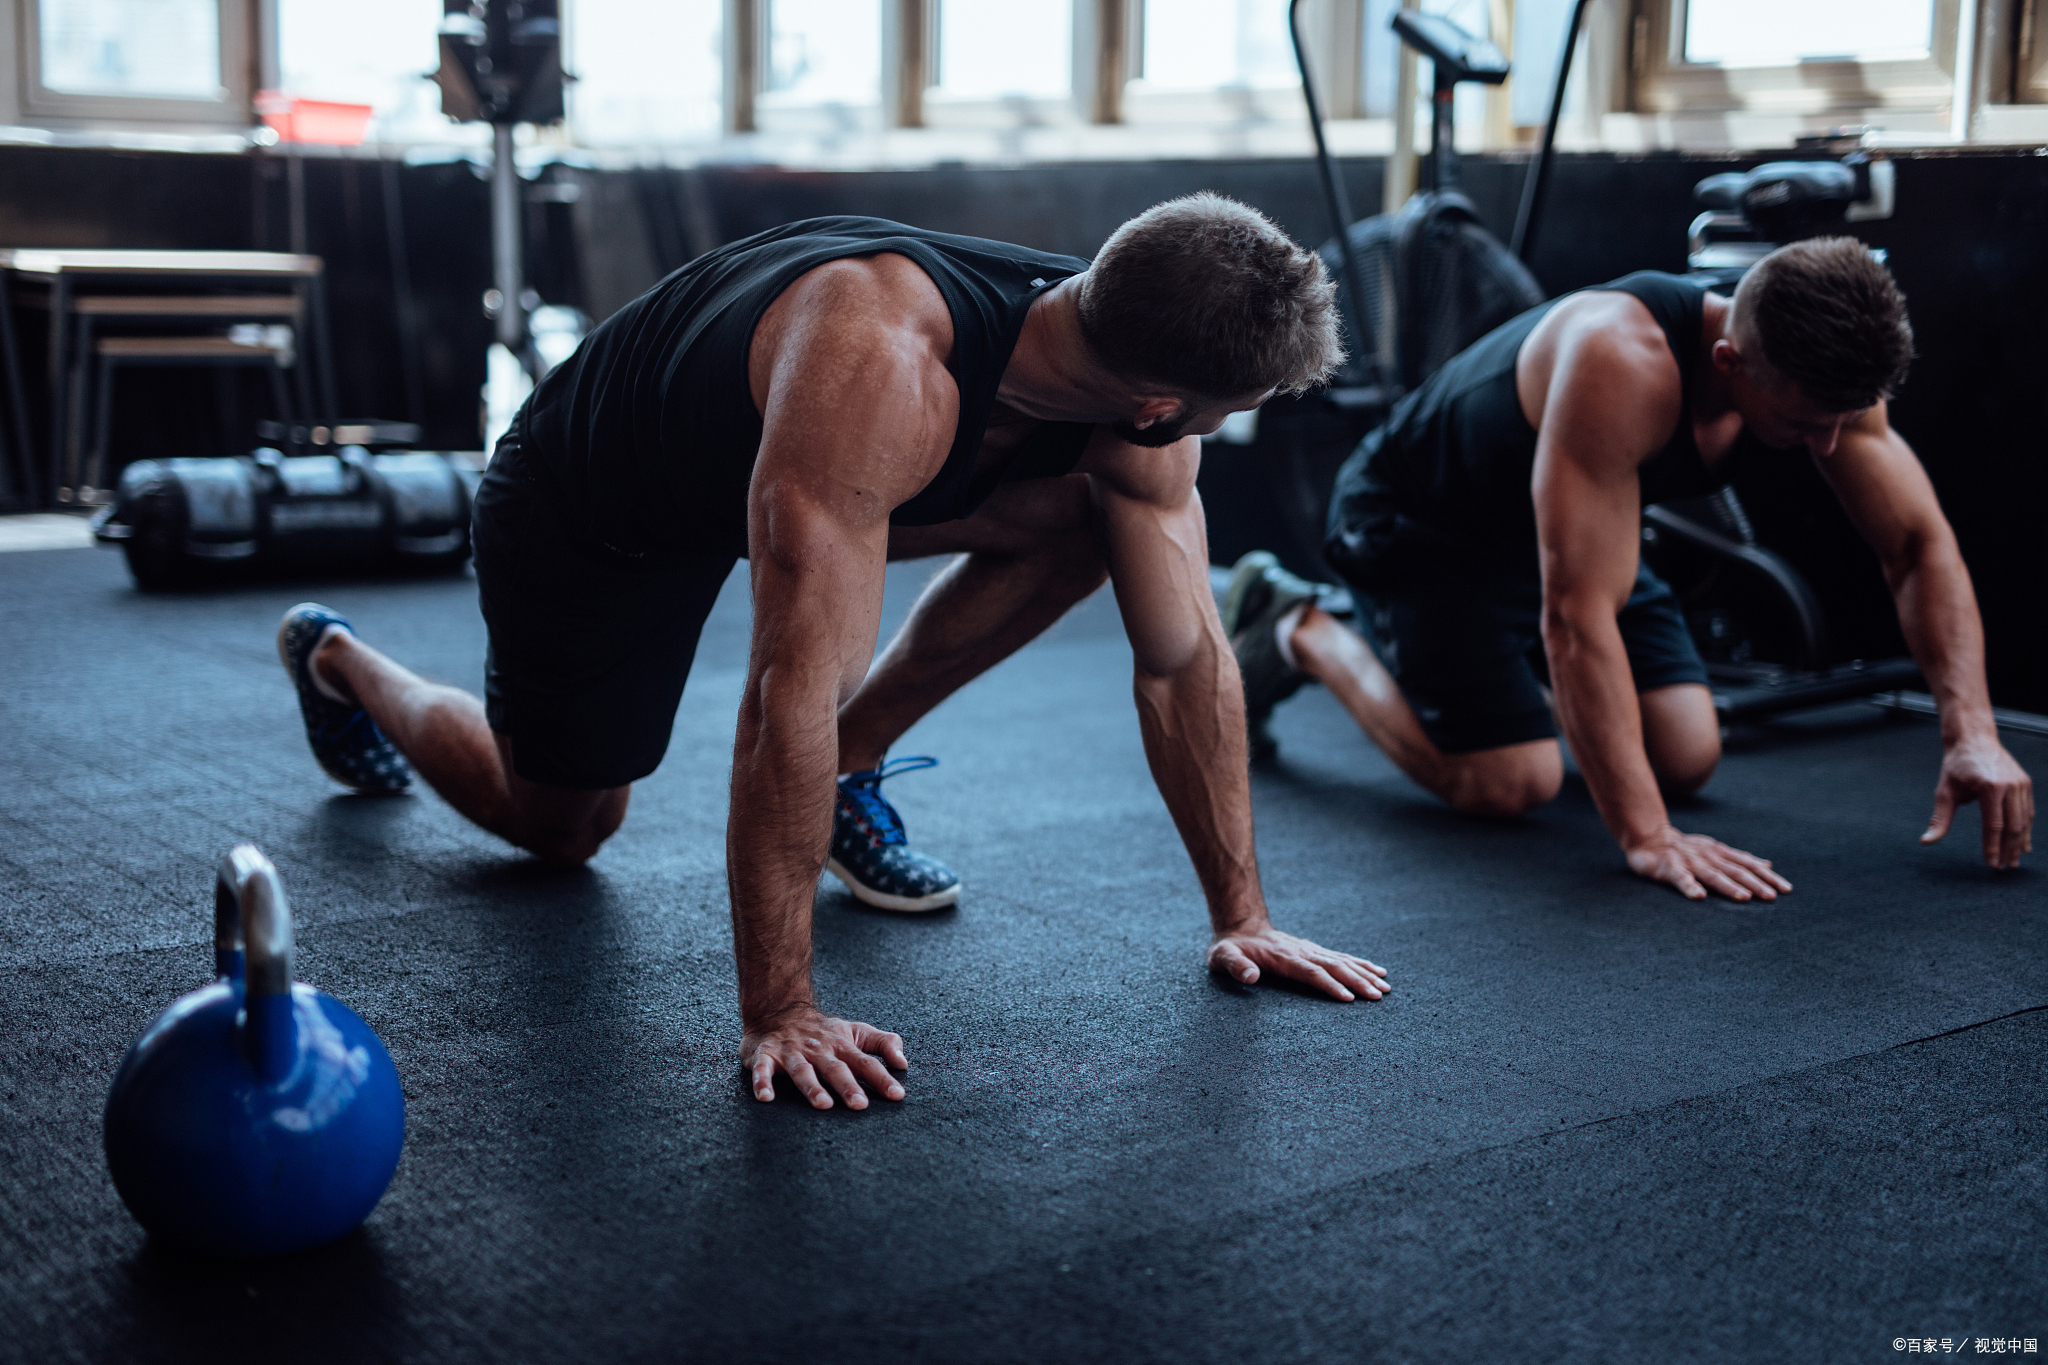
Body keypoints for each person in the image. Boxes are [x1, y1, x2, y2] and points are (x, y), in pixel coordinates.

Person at [274, 196, 1391, 1112]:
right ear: (1159, 406)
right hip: (598, 505)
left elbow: (1180, 657)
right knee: (560, 828)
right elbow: (782, 694)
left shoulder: (1115, 344)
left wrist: (1239, 917)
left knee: (1083, 523)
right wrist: (781, 1009)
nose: (1201, 439)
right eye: (1213, 420)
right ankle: (341, 662)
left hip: (783, 472)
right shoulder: (886, 365)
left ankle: (855, 769)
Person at [1225, 237, 2032, 901]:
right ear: (1730, 360)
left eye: (1842, 423)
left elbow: (1919, 546)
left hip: (1571, 532)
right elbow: (1576, 617)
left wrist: (1973, 733)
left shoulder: (1832, 382)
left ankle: (1500, 686)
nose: (1829, 446)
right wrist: (1645, 835)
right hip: (1429, 526)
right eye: (1802, 424)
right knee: (1513, 780)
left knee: (1685, 753)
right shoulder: (1623, 359)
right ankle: (1301, 626)